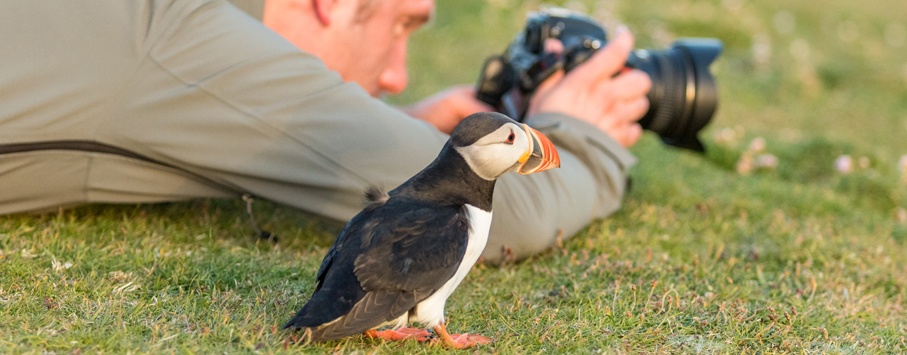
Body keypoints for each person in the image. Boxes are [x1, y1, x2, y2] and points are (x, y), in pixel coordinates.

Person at [0, 0, 651, 263]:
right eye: (399, 25)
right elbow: (510, 215)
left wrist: (396, 135)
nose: (397, 74)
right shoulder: (180, 34)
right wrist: (579, 135)